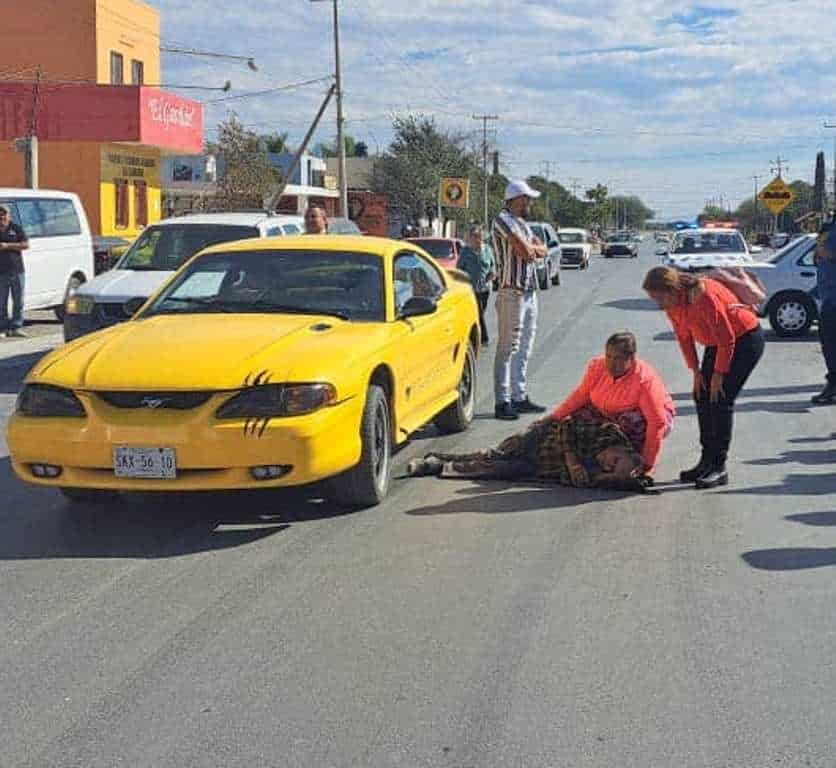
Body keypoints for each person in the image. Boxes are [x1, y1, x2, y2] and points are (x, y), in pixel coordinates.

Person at [643, 266, 765, 489]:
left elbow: (728, 339)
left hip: (745, 340)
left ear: (671, 290)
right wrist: (696, 372)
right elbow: (684, 338)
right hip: (716, 344)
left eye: (659, 297)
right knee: (701, 396)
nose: (658, 304)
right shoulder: (674, 305)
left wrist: (719, 374)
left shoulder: (702, 297)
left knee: (720, 400)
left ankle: (719, 467)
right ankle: (706, 460)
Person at [407, 408, 656, 493]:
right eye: (612, 461)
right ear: (620, 449)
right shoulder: (608, 432)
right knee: (495, 454)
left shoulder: (607, 473)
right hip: (540, 439)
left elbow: (571, 480)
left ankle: (438, 465)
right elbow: (567, 424)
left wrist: (605, 477)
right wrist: (572, 460)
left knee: (495, 470)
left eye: (609, 470)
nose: (605, 463)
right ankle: (435, 458)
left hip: (541, 465)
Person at [550, 331, 675, 475]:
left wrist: (647, 465)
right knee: (575, 417)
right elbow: (581, 395)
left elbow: (657, 422)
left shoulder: (644, 380)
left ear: (631, 358)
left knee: (629, 421)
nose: (611, 363)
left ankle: (633, 453)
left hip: (650, 419)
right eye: (608, 356)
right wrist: (554, 417)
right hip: (609, 413)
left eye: (618, 358)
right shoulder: (597, 367)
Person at [491, 180, 548, 421]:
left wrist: (534, 249)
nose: (530, 203)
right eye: (527, 199)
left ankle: (519, 395)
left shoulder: (522, 224)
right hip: (511, 292)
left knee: (524, 347)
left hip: (529, 291)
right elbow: (525, 250)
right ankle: (502, 400)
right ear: (515, 199)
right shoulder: (502, 220)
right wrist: (533, 250)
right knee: (507, 348)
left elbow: (541, 248)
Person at [457, 225, 495, 345]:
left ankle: (473, 335)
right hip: (471, 289)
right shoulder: (465, 251)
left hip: (485, 288)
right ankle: (483, 339)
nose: (476, 239)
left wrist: (492, 274)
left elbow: (493, 265)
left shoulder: (487, 250)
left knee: (480, 313)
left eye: (478, 236)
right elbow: (459, 268)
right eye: (473, 237)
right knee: (478, 312)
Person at [811, 223, 836, 404]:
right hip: (828, 296)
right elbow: (818, 257)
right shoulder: (829, 229)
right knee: (829, 344)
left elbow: (827, 254)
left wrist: (822, 248)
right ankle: (833, 384)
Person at [0, 205, 29, 339]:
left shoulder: (16, 228)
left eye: (4, 214)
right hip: (1, 272)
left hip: (17, 271)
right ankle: (3, 328)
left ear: (9, 215)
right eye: (0, 215)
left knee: (18, 301)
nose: (2, 217)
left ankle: (16, 327)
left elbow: (26, 245)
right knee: (2, 302)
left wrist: (7, 245)